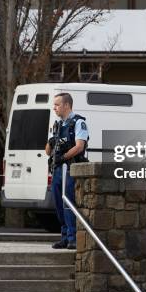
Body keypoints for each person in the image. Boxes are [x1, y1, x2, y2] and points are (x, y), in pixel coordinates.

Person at [45, 92, 89, 250]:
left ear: (66, 105)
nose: (54, 108)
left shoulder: (78, 123)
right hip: (57, 169)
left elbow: (79, 146)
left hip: (70, 168)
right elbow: (47, 152)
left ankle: (73, 238)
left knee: (68, 203)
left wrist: (63, 157)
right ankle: (64, 237)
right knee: (58, 204)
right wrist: (51, 143)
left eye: (57, 105)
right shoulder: (57, 125)